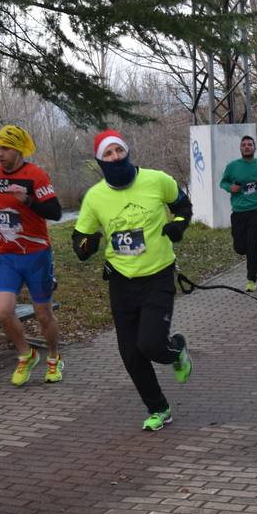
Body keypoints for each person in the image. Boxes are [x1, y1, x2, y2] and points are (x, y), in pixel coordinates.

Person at [72, 130, 193, 432]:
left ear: (127, 151)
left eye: (119, 151)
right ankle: (159, 408)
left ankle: (176, 349)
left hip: (158, 275)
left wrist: (178, 225)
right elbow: (81, 237)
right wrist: (85, 245)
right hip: (121, 281)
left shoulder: (156, 179)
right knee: (131, 353)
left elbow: (182, 204)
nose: (115, 158)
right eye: (108, 154)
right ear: (100, 161)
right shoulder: (95, 197)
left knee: (151, 344)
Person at [0, 125, 63, 386]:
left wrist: (27, 200)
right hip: (8, 256)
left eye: (5, 149)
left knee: (43, 314)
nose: (0, 154)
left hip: (36, 255)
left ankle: (54, 358)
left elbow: (56, 212)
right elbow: (0, 204)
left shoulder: (35, 176)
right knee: (2, 312)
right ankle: (27, 354)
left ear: (19, 150)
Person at [219, 134, 257, 292]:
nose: (246, 146)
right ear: (240, 148)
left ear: (254, 147)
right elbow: (223, 182)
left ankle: (251, 279)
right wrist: (229, 187)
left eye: (249, 144)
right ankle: (244, 251)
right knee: (240, 247)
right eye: (244, 144)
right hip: (238, 211)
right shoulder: (233, 166)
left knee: (253, 246)